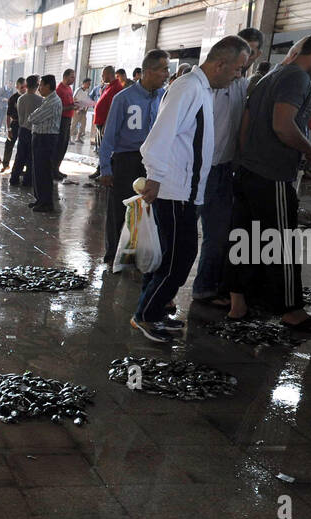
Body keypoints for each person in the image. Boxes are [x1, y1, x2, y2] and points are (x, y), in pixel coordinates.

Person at [131, 36, 252, 342]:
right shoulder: (187, 88)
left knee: (173, 257)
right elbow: (158, 137)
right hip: (174, 191)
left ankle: (154, 310)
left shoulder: (201, 89)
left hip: (188, 190)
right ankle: (146, 316)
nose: (239, 75)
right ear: (221, 63)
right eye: (238, 69)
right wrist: (155, 177)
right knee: (179, 259)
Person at [225, 29, 311, 330]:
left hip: (247, 171)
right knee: (282, 243)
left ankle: (239, 304)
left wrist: (245, 158)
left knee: (245, 239)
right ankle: (291, 310)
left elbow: (247, 123)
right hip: (272, 174)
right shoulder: (297, 78)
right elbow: (283, 126)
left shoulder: (271, 76)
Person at [191, 27, 263, 304]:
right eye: (246, 50)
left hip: (223, 169)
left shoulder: (242, 85)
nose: (250, 57)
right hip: (199, 169)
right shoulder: (205, 85)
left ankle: (205, 288)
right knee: (182, 234)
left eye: (254, 51)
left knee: (217, 233)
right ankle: (161, 291)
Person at [100, 49, 169, 266]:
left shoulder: (165, 98)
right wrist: (105, 168)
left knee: (148, 208)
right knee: (119, 209)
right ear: (149, 71)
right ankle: (113, 254)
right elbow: (109, 135)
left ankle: (137, 255)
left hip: (153, 162)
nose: (167, 74)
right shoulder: (124, 98)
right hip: (126, 160)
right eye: (163, 70)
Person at [26, 75, 62, 213]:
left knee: (44, 171)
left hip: (46, 139)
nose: (39, 88)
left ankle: (46, 203)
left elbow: (33, 118)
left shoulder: (52, 101)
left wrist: (33, 116)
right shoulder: (47, 100)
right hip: (41, 137)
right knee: (38, 170)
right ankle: (40, 199)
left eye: (41, 85)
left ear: (48, 86)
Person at [10, 75, 42, 187]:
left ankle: (14, 179)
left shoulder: (20, 99)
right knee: (30, 158)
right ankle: (27, 181)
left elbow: (20, 116)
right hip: (33, 131)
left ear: (26, 85)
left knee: (20, 156)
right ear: (37, 86)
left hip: (22, 129)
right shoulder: (40, 100)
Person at [91, 66, 123, 163]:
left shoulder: (116, 87)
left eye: (103, 74)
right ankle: (99, 169)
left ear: (109, 74)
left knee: (105, 149)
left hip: (105, 123)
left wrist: (107, 124)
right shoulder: (108, 86)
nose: (101, 77)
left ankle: (104, 172)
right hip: (100, 122)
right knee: (100, 149)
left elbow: (113, 109)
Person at [52, 69, 75, 179]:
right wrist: (70, 107)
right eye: (72, 77)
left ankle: (57, 168)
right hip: (61, 120)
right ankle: (53, 170)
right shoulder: (59, 90)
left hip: (68, 119)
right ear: (65, 77)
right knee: (59, 145)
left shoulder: (69, 89)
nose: (74, 79)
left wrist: (75, 105)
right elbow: (57, 108)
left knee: (64, 145)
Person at [1, 77, 25, 170]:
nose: (24, 89)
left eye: (25, 86)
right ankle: (5, 164)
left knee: (23, 146)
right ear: (17, 87)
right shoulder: (12, 98)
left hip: (25, 125)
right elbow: (8, 115)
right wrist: (9, 129)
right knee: (9, 144)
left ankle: (21, 166)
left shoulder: (28, 97)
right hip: (15, 123)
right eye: (21, 87)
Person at [71, 78, 92, 142]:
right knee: (73, 124)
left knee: (83, 124)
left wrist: (85, 109)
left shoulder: (86, 92)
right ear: (84, 83)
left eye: (90, 84)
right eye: (88, 84)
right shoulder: (78, 90)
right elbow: (73, 99)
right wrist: (77, 109)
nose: (89, 85)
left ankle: (78, 138)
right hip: (76, 110)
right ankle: (69, 139)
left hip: (83, 111)